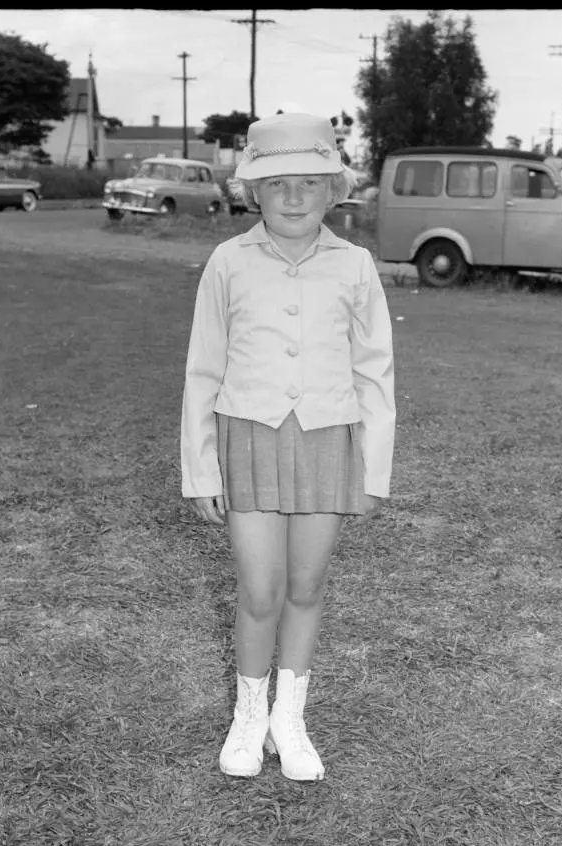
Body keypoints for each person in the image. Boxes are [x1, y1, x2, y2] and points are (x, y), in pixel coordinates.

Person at [181, 112, 395, 782]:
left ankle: (288, 719)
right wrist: (199, 467)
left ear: (333, 191)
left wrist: (373, 470)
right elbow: (202, 368)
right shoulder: (227, 261)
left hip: (328, 441)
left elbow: (374, 371)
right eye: (278, 185)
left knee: (305, 586)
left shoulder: (355, 264)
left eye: (309, 182)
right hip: (249, 437)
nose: (295, 196)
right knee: (259, 589)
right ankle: (248, 716)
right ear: (254, 193)